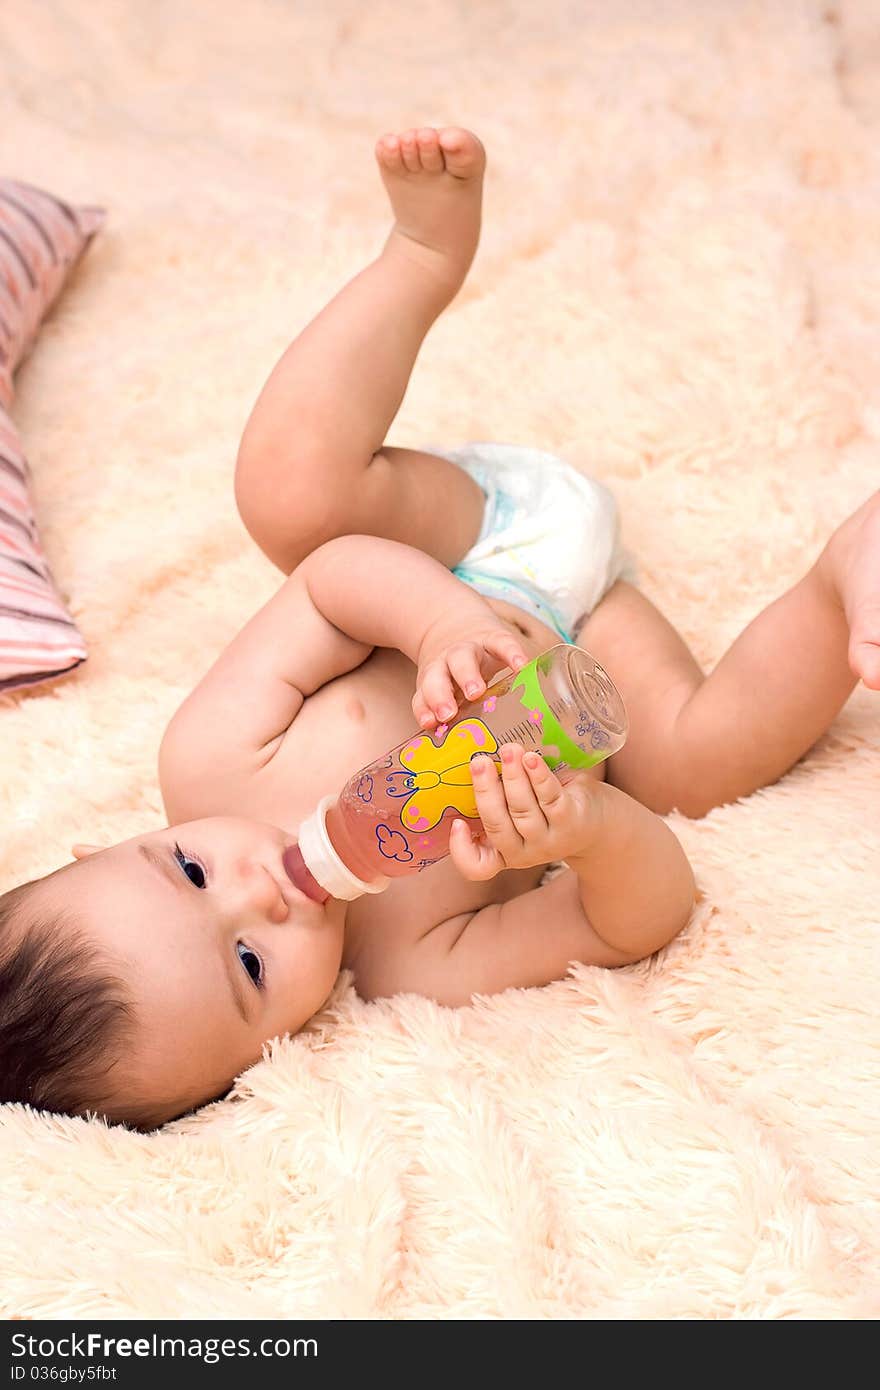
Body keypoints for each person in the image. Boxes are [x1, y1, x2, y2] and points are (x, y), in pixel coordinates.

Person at [1, 127, 876, 1132]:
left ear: (103, 844)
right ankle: (841, 576)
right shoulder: (412, 964)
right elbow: (637, 917)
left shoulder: (210, 756)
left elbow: (332, 586)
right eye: (248, 965)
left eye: (190, 870)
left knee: (293, 499)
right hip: (590, 656)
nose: (262, 894)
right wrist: (589, 834)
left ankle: (419, 257)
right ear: (260, 1061)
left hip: (472, 546)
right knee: (697, 765)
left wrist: (442, 625)